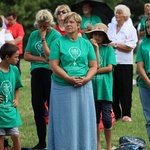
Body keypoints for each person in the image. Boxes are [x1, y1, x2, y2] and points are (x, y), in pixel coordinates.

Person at [48, 12, 97, 150]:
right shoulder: (57, 42)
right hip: (62, 86)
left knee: (83, 120)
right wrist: (67, 78)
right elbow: (54, 65)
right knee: (65, 121)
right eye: (66, 22)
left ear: (78, 25)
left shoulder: (86, 44)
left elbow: (94, 65)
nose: (68, 24)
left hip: (84, 86)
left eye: (71, 22)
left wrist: (87, 78)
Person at [24, 9, 61, 149]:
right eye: (40, 25)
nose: (42, 28)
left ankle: (55, 140)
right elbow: (26, 55)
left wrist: (44, 38)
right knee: (37, 107)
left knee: (53, 107)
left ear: (50, 23)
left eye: (45, 25)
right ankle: (41, 141)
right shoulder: (33, 35)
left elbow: (51, 55)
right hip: (36, 73)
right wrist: (40, 59)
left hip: (49, 73)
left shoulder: (56, 35)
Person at [85, 23, 116, 150]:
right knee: (95, 120)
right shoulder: (88, 49)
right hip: (92, 90)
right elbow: (92, 66)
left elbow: (109, 67)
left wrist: (97, 49)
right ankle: (97, 146)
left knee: (107, 119)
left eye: (100, 35)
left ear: (104, 37)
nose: (97, 37)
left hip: (105, 91)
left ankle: (108, 146)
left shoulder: (109, 50)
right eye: (95, 34)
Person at [107, 4, 138, 122]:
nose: (117, 15)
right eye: (116, 12)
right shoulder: (111, 26)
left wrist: (114, 45)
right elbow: (106, 40)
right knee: (113, 89)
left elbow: (130, 46)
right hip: (111, 62)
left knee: (125, 89)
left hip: (125, 63)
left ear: (125, 15)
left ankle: (126, 114)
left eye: (119, 13)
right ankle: (116, 113)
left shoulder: (130, 29)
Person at [0, 43, 23, 150]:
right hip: (0, 112)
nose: (18, 59)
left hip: (11, 110)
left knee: (15, 135)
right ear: (7, 57)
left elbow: (17, 87)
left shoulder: (15, 70)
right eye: (16, 57)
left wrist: (16, 99)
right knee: (1, 137)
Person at [136, 18, 150, 142]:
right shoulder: (143, 45)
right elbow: (140, 67)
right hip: (145, 85)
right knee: (149, 117)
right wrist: (148, 82)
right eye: (148, 27)